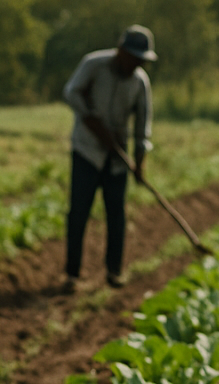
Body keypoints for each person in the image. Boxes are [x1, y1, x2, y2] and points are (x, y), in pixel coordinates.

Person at [61, 25, 156, 292]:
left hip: (117, 158)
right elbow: (71, 92)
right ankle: (72, 274)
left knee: (116, 215)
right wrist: (91, 120)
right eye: (133, 57)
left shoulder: (139, 82)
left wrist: (139, 161)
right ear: (120, 51)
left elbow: (142, 125)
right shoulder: (94, 65)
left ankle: (114, 271)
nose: (136, 63)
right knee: (78, 213)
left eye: (141, 60)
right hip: (86, 151)